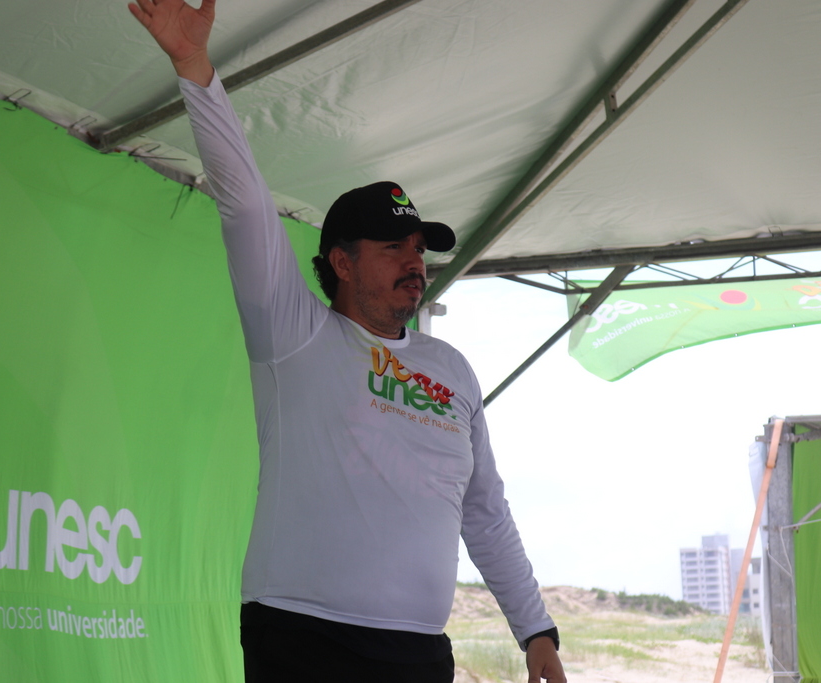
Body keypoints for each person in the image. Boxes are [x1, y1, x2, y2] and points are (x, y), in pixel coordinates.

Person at [128, 1, 567, 681]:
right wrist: (195, 69)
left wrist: (535, 630)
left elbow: (485, 511)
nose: (415, 262)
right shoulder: (294, 333)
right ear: (341, 261)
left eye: (419, 248)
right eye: (393, 248)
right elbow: (244, 203)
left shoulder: (453, 370)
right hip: (301, 638)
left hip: (419, 652)